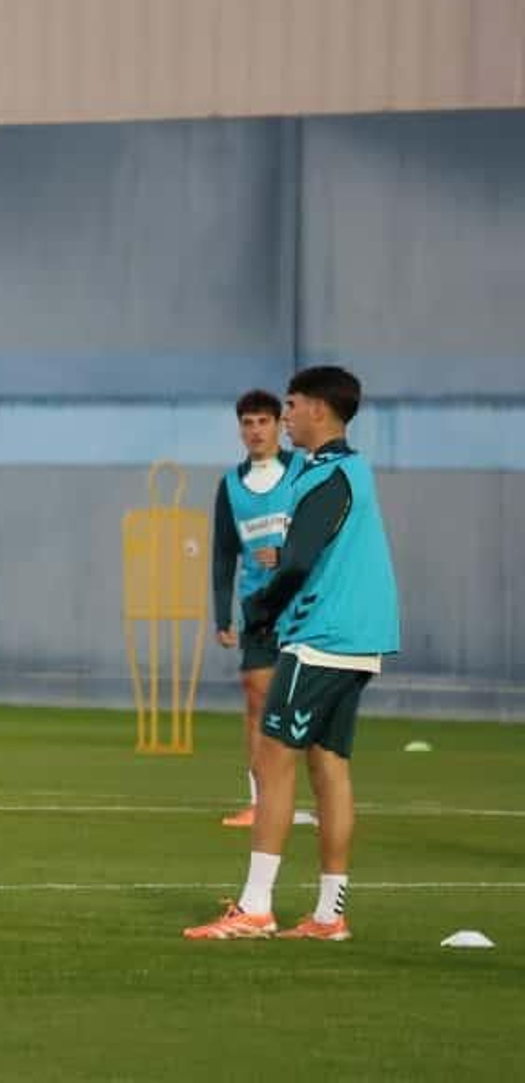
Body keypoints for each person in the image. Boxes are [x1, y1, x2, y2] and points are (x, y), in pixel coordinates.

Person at [185, 366, 399, 941]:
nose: (285, 417)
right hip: (356, 639)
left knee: (275, 757)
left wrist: (261, 610)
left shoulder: (328, 475)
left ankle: (255, 907)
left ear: (320, 412)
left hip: (322, 637)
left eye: (292, 405)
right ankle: (329, 915)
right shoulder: (341, 470)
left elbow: (298, 561)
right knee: (329, 767)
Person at [210, 389, 304, 828]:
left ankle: (301, 797)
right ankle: (260, 802)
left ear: (279, 425)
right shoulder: (230, 485)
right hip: (259, 609)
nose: (255, 430)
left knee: (306, 702)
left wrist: (286, 555)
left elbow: (324, 534)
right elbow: (223, 554)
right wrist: (222, 616)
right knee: (255, 696)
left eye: (262, 421)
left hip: (306, 604)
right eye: (247, 423)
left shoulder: (303, 471)